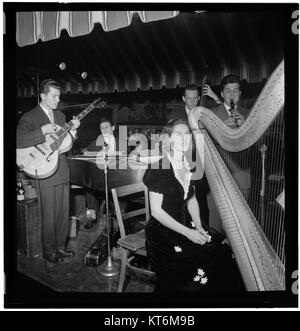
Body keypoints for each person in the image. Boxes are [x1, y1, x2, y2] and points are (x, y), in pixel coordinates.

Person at [143, 119, 244, 292]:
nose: (184, 138)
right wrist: (189, 233)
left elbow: (191, 199)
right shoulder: (158, 167)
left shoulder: (189, 165)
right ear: (168, 139)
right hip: (163, 231)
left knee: (224, 250)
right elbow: (157, 212)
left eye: (187, 134)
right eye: (178, 134)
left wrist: (198, 225)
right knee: (203, 267)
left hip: (185, 223)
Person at [17, 79, 80, 263]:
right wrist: (42, 130)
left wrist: (73, 133)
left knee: (62, 211)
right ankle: (49, 250)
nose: (58, 100)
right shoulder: (29, 117)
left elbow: (64, 145)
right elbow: (18, 140)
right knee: (49, 213)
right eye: (54, 96)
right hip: (43, 170)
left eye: (59, 96)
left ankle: (61, 247)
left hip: (61, 169)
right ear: (42, 96)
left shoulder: (60, 116)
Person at [167, 84, 210, 226]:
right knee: (182, 205)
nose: (192, 102)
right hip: (181, 166)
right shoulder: (174, 116)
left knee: (201, 205)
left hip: (200, 166)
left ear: (198, 98)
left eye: (195, 98)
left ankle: (203, 229)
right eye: (189, 98)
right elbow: (168, 141)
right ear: (183, 98)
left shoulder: (205, 115)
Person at [206, 74, 251, 199]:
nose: (232, 94)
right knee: (216, 218)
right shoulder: (210, 113)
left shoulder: (249, 114)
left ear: (240, 93)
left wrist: (244, 128)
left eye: (235, 90)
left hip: (242, 172)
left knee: (243, 215)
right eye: (228, 91)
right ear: (221, 94)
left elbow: (258, 142)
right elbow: (203, 142)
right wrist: (220, 128)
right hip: (217, 173)